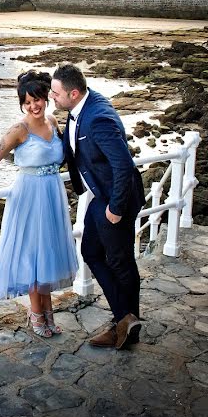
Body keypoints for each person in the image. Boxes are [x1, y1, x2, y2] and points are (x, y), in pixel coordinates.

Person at [0, 70, 78, 338]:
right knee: (32, 253)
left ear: (46, 98)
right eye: (27, 102)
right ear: (22, 104)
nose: (33, 106)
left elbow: (69, 153)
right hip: (29, 196)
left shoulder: (52, 121)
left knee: (49, 252)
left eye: (37, 100)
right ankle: (36, 313)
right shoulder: (19, 130)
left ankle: (48, 311)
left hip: (52, 193)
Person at [50, 64, 146, 349]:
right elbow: (75, 146)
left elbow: (123, 166)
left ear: (74, 92)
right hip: (100, 195)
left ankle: (128, 327)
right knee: (90, 251)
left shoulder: (98, 119)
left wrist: (116, 208)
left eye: (56, 93)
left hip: (116, 200)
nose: (52, 97)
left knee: (120, 263)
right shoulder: (80, 107)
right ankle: (125, 320)